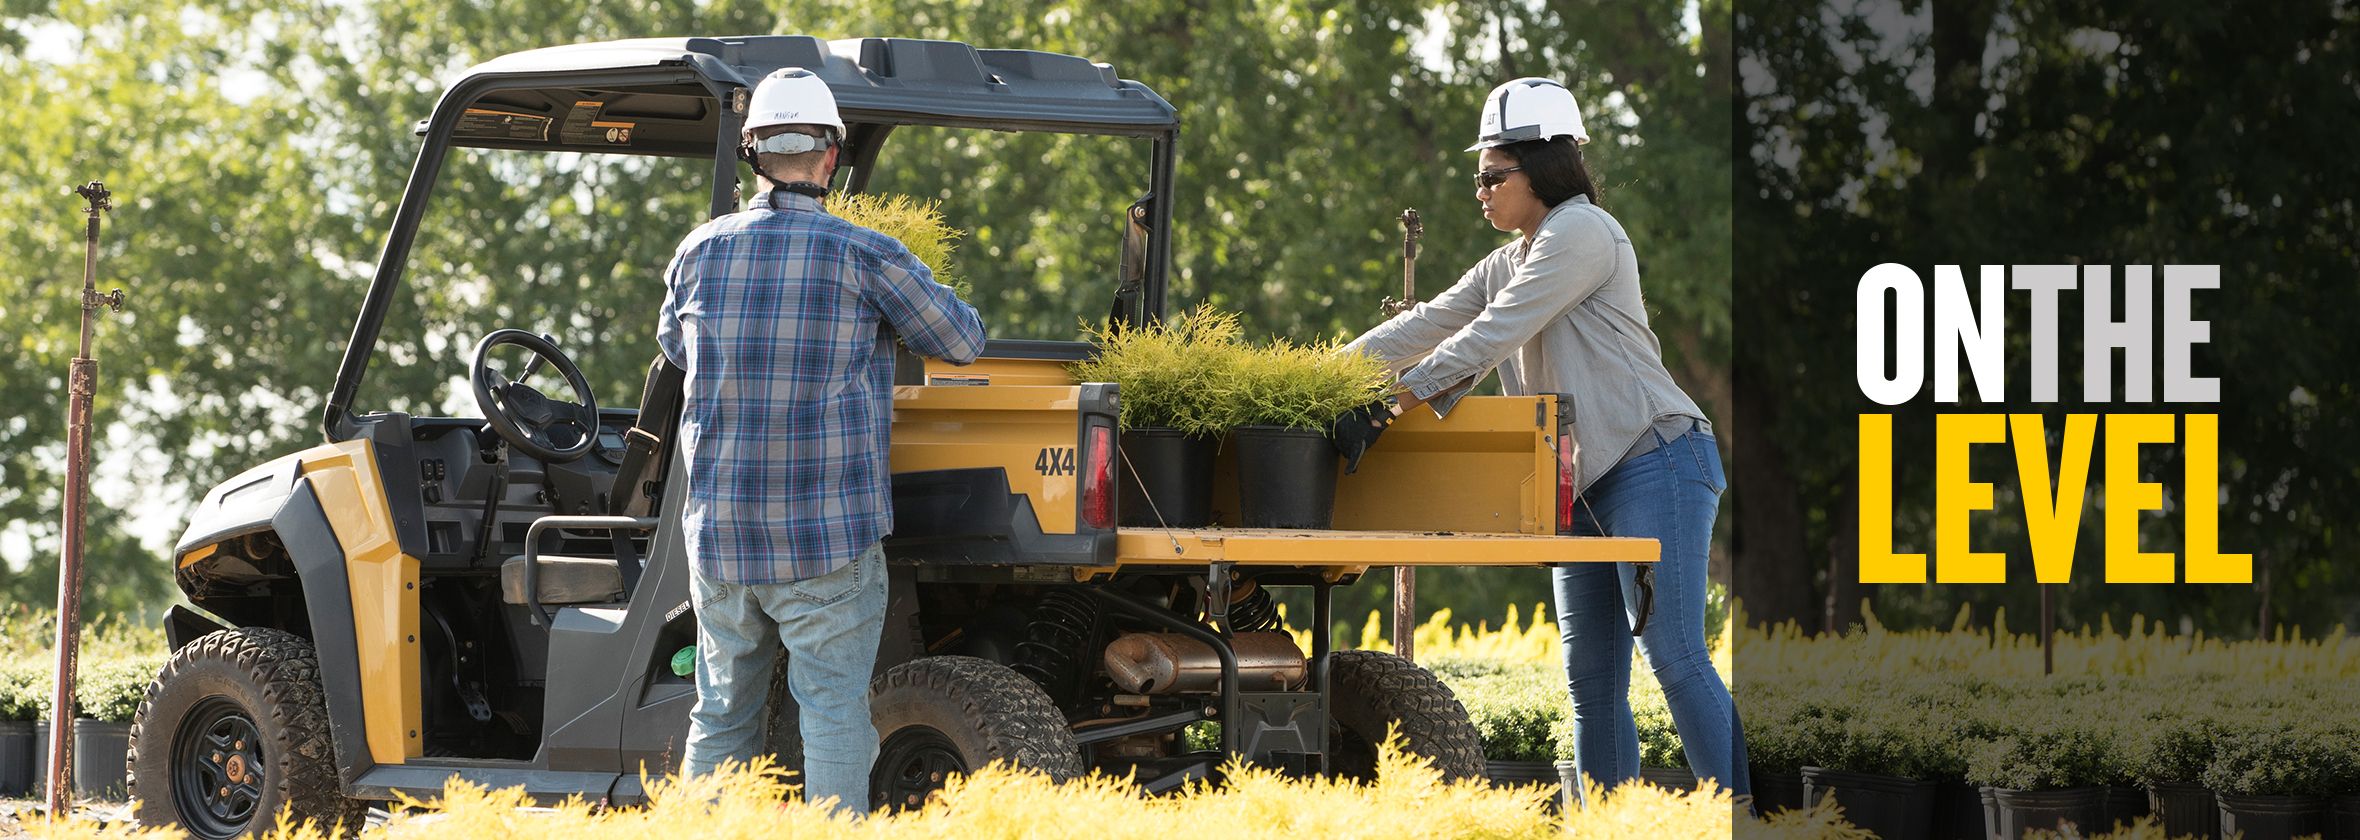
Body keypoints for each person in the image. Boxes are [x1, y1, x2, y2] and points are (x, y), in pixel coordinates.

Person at [1334, 77, 1747, 803]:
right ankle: (1610, 823)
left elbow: (1492, 335)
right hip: (1583, 482)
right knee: (1591, 680)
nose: (1480, 191)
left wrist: (1392, 402)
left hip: (1657, 461)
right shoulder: (1514, 257)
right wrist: (1318, 377)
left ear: (1545, 166)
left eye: (1493, 175)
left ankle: (1752, 817)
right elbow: (1426, 322)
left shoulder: (1581, 233)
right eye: (1478, 177)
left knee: (1676, 656)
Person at [656, 66, 986, 814]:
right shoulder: (864, 254)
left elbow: (677, 354)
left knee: (719, 715)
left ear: (752, 152)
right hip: (825, 541)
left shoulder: (698, 253)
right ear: (830, 156)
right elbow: (961, 341)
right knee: (833, 711)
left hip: (723, 542)